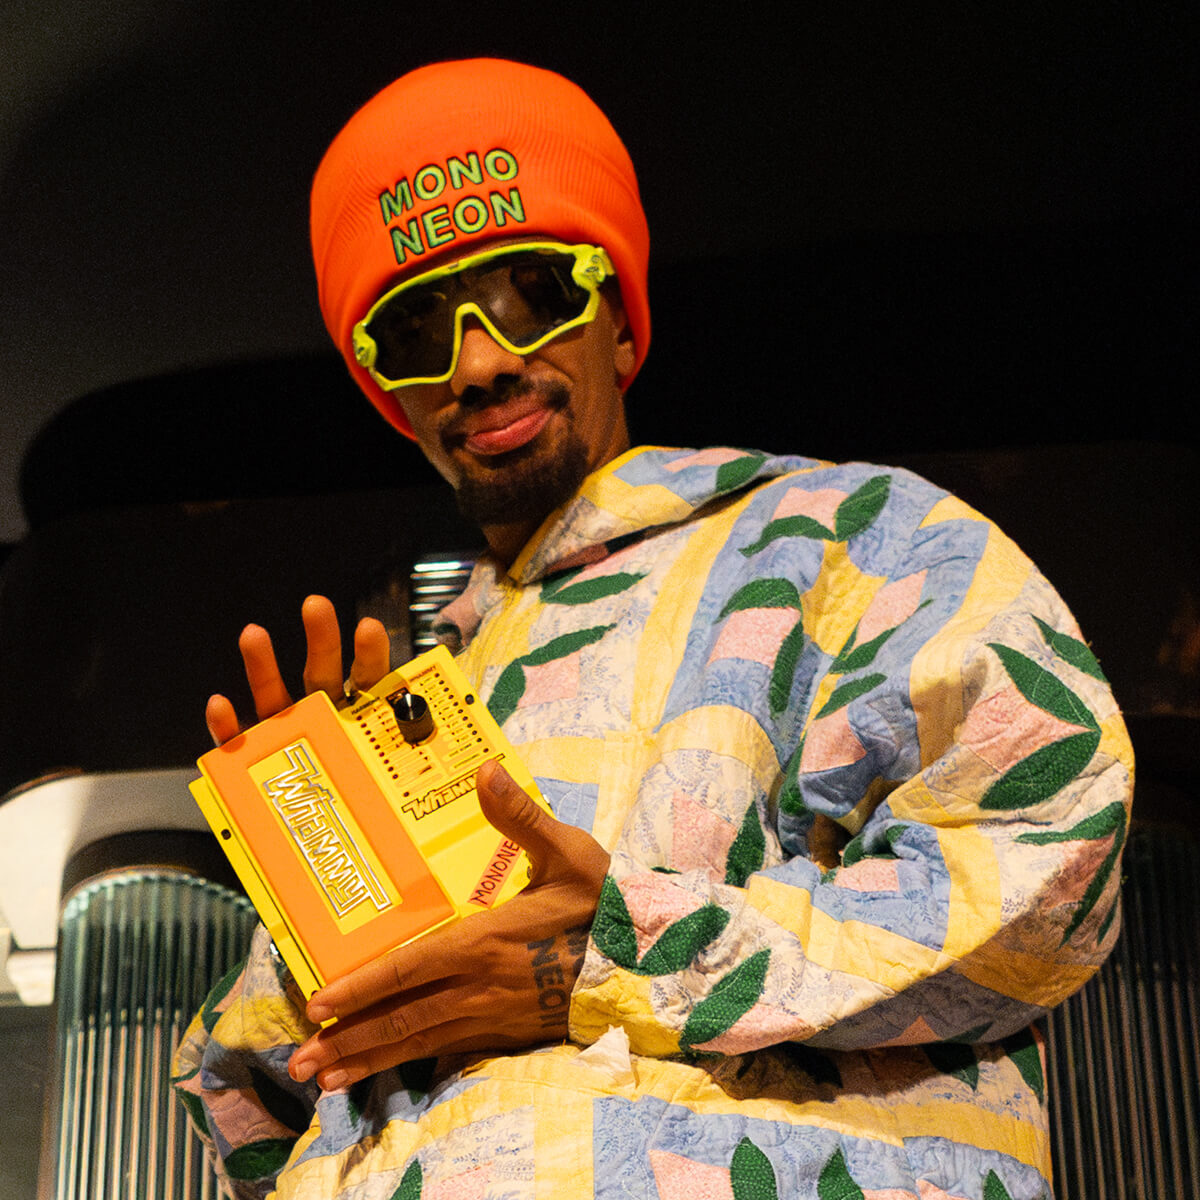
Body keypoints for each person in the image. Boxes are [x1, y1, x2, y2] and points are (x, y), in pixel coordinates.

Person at [173, 58, 1134, 1200]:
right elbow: (257, 1113)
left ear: (621, 322)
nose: (479, 362)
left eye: (532, 292)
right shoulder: (412, 703)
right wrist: (321, 893)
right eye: (416, 331)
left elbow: (1045, 864)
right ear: (394, 398)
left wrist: (622, 955)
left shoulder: (857, 538)